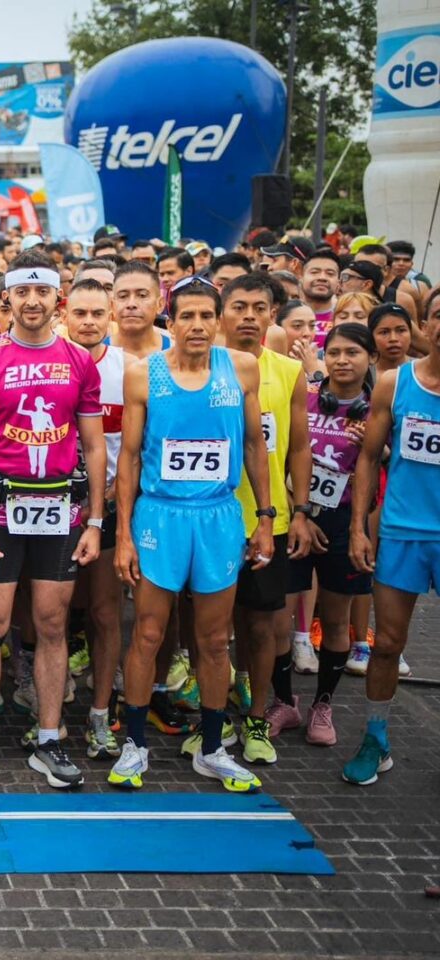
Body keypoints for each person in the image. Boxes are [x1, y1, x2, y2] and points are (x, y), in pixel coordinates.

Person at [110, 278, 272, 792]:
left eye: (207, 316)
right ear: (170, 321)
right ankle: (134, 745)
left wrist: (265, 517)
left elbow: (252, 447)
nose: (198, 326)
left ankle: (211, 748)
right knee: (150, 633)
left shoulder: (242, 368)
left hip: (219, 517)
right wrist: (124, 535)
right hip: (160, 516)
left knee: (213, 639)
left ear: (218, 320)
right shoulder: (143, 374)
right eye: (187, 317)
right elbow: (130, 459)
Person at [0, 252, 107, 789]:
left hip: (61, 512)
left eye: (43, 292)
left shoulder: (80, 361)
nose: (34, 301)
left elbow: (93, 446)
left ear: (56, 297)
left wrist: (96, 521)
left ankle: (50, 740)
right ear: (7, 300)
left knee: (51, 625)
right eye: (23, 292)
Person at [343, 289, 440, 785]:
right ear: (428, 323)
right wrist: (360, 526)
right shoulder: (394, 383)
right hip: (401, 531)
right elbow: (366, 457)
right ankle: (375, 738)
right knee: (387, 644)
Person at [221, 273, 315, 767]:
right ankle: (211, 723)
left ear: (272, 314)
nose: (250, 316)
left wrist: (299, 511)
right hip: (210, 521)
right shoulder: (199, 368)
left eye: (260, 307)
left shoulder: (286, 371)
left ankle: (257, 718)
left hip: (268, 523)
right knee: (211, 632)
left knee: (260, 628)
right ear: (222, 313)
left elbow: (298, 446)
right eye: (239, 306)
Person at [282, 322, 376, 747]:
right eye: (334, 352)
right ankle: (284, 702)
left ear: (369, 359)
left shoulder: (377, 411)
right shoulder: (304, 398)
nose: (342, 360)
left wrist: (380, 448)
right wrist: (297, 510)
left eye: (352, 353)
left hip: (342, 524)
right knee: (277, 620)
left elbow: (378, 473)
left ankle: (323, 704)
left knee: (336, 620)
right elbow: (285, 455)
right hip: (297, 517)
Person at [60, 278, 126, 761]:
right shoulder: (44, 364)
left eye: (96, 314)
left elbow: (138, 450)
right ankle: (51, 712)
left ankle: (101, 714)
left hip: (108, 509)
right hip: (50, 509)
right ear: (65, 314)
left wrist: (105, 501)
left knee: (105, 613)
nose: (87, 322)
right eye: (79, 313)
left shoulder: (132, 370)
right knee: (51, 618)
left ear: (111, 317)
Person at [369, 302, 415, 375]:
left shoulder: (424, 371)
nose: (393, 339)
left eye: (401, 330)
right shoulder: (362, 374)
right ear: (371, 336)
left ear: (410, 333)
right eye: (384, 332)